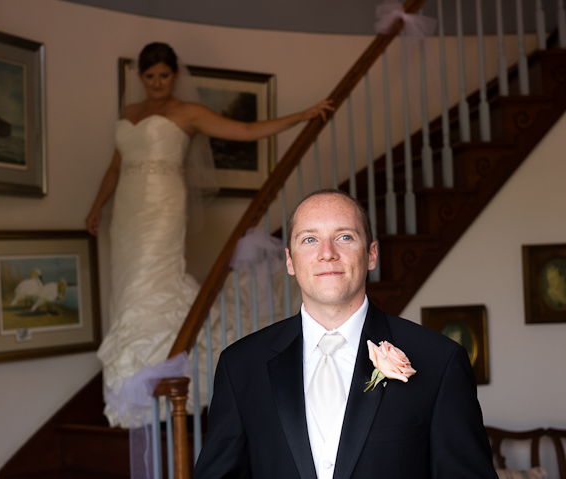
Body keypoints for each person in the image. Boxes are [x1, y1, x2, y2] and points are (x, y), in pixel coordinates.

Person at [85, 43, 332, 428]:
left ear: (175, 75)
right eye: (149, 77)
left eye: (164, 76)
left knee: (154, 279)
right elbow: (116, 167)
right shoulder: (130, 112)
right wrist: (98, 205)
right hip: (127, 213)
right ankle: (133, 376)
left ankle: (163, 372)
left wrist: (303, 115)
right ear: (140, 78)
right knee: (129, 286)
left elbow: (247, 131)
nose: (156, 83)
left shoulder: (188, 112)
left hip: (163, 207)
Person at [194, 189, 498, 479]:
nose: (327, 253)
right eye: (310, 239)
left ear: (371, 255)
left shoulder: (440, 361)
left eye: (344, 237)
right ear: (290, 260)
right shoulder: (241, 367)